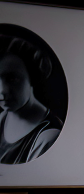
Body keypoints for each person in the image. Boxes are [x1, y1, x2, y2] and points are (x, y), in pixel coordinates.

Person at [0, 35, 63, 163]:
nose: (2, 91)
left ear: (32, 78)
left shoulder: (46, 137)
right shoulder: (2, 118)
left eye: (12, 79)